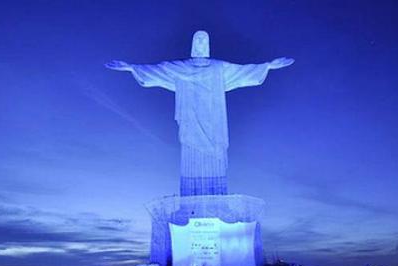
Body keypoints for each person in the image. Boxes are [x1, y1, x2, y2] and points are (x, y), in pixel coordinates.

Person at [106, 31, 294, 196]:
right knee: (191, 155)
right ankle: (191, 197)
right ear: (193, 45)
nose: (202, 45)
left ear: (209, 46)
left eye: (205, 41)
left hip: (214, 123)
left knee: (215, 157)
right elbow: (159, 70)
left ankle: (216, 196)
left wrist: (267, 66)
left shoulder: (218, 68)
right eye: (198, 41)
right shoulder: (181, 68)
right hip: (191, 122)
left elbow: (242, 72)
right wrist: (132, 68)